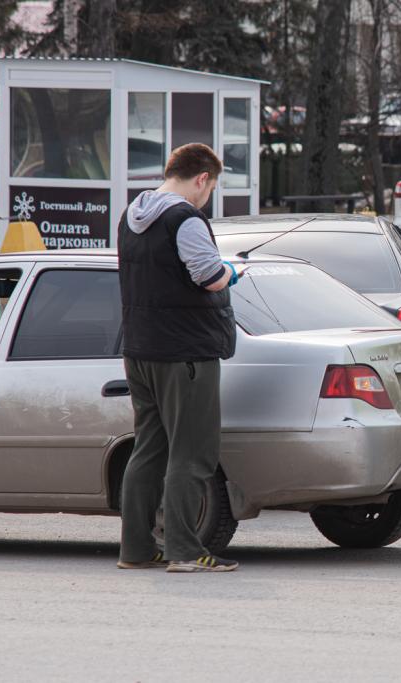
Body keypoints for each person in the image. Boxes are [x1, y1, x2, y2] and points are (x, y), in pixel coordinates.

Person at [116, 143, 242, 573]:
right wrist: (232, 271)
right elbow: (207, 276)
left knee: (148, 450)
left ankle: (135, 548)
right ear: (201, 178)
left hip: (140, 350)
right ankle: (185, 550)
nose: (207, 197)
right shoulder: (185, 218)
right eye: (210, 187)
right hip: (186, 354)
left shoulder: (132, 216)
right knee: (193, 453)